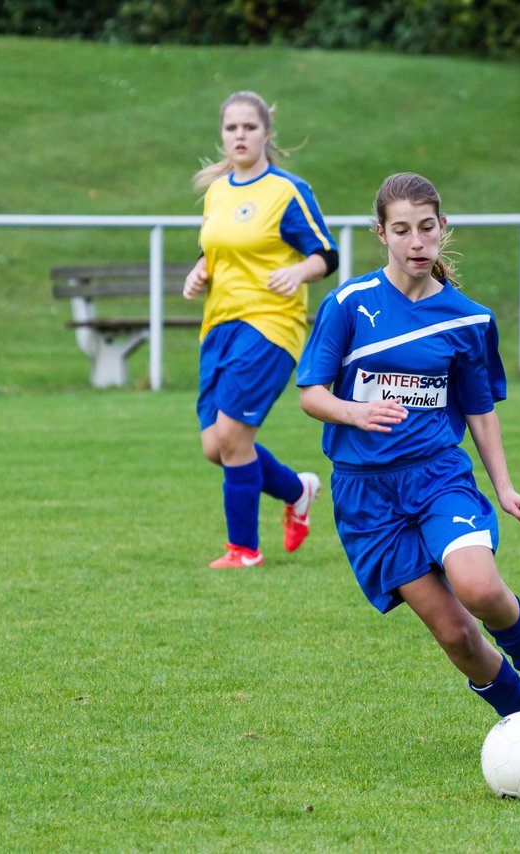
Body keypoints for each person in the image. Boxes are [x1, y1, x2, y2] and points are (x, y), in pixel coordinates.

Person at [294, 172, 520, 726]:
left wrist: (504, 487)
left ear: (442, 228)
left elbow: (480, 410)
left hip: (437, 477)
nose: (416, 243)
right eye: (401, 230)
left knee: (477, 586)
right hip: (366, 495)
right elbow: (311, 394)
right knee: (455, 634)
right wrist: (353, 411)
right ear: (379, 233)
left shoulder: (470, 319)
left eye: (426, 228)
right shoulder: (350, 304)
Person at [183, 91, 337, 568]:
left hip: (270, 324)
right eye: (232, 128)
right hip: (219, 327)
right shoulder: (217, 192)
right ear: (223, 135)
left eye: (249, 127)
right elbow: (219, 249)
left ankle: (243, 550)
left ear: (267, 133)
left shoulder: (287, 190)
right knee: (218, 446)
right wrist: (200, 269)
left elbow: (325, 254)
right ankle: (299, 490)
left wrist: (298, 272)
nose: (240, 136)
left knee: (231, 435)